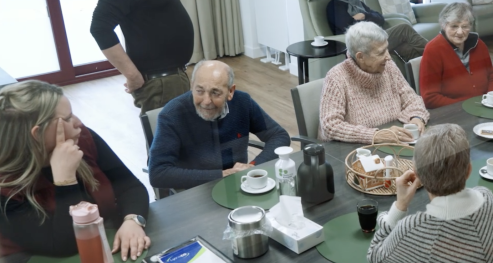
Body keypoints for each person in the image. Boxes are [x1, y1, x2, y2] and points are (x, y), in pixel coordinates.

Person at [0, 80, 150, 260]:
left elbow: (130, 187)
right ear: (37, 133)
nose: (78, 122)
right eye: (67, 118)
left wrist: (133, 220)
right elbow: (63, 246)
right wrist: (65, 180)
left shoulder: (81, 138)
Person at [367, 124, 493, 263]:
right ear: (468, 171)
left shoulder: (413, 228)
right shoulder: (486, 197)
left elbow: (374, 256)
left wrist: (400, 205)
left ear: (418, 176)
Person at [148, 60, 291, 189]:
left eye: (215, 93)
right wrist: (223, 174)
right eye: (199, 91)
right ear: (191, 86)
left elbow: (279, 136)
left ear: (230, 91)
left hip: (239, 186)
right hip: (196, 192)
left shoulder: (243, 102)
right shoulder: (172, 115)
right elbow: (158, 173)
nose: (206, 101)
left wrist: (253, 167)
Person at [320, 22, 430, 145]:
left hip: (393, 142)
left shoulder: (388, 67)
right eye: (381, 52)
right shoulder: (337, 77)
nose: (388, 57)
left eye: (387, 49)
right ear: (360, 57)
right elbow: (330, 125)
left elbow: (412, 99)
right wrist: (375, 135)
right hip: (354, 150)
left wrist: (416, 118)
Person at [91, 0, 194, 114]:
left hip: (172, 78)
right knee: (170, 129)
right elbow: (100, 28)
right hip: (161, 84)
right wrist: (132, 75)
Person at [419, 2, 493, 109]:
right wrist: (465, 106)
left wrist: (490, 100)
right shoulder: (433, 50)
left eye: (465, 26)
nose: (460, 32)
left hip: (485, 107)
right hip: (453, 113)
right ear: (443, 25)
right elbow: (430, 98)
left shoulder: (479, 44)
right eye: (454, 26)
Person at [327, 0, 429, 63]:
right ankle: (435, 54)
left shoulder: (358, 2)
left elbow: (379, 18)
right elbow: (349, 27)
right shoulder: (334, 5)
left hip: (375, 35)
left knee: (406, 48)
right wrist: (369, 19)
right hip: (361, 42)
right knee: (404, 28)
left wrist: (365, 16)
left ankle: (422, 76)